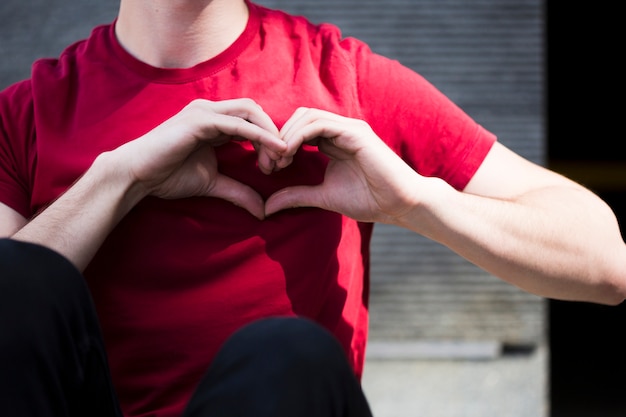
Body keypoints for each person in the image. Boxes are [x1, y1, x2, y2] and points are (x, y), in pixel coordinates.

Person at [0, 0, 624, 416]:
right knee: (17, 274)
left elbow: (605, 260)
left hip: (282, 399)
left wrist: (414, 201)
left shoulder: (343, 78)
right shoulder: (27, 113)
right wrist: (120, 176)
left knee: (284, 357)